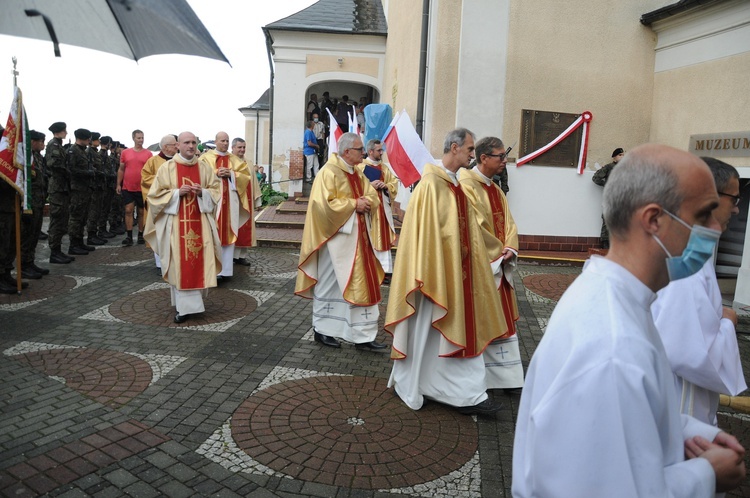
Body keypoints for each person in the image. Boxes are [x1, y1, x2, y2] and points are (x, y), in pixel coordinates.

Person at [513, 144, 747, 497]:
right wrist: (705, 475)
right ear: (654, 220)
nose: (717, 228)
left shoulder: (617, 296)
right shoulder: (613, 348)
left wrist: (689, 431)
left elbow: (623, 420)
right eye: (704, 215)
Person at [385, 128, 510, 416]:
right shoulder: (431, 184)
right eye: (468, 149)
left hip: (458, 274)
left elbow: (471, 230)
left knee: (450, 332)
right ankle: (429, 385)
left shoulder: (455, 184)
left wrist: (494, 251)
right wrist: (436, 269)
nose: (471, 154)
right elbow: (427, 236)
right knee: (429, 332)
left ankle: (463, 392)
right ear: (453, 147)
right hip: (434, 276)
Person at [652, 157, 747, 427]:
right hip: (677, 398)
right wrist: (728, 322)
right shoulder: (685, 257)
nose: (737, 210)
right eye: (734, 199)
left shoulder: (685, 245)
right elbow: (689, 354)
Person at [295, 132, 388, 351]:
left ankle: (362, 335)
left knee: (363, 283)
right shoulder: (328, 172)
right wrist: (353, 204)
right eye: (359, 149)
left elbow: (371, 195)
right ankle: (323, 330)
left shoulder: (357, 172)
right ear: (347, 151)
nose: (363, 153)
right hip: (334, 240)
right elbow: (322, 205)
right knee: (330, 284)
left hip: (359, 239)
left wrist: (366, 202)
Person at [458, 136, 523, 394]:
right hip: (482, 266)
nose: (504, 161)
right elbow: (474, 227)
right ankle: (485, 375)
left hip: (499, 263)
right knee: (483, 318)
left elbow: (509, 221)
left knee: (504, 317)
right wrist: (498, 252)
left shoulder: (495, 188)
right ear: (484, 158)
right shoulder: (466, 185)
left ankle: (506, 377)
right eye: (500, 157)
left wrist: (510, 246)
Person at [143, 131, 222, 324]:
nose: (191, 146)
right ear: (178, 145)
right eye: (187, 142)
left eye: (194, 142)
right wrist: (177, 194)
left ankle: (194, 305)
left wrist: (202, 192)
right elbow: (154, 197)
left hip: (200, 223)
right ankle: (183, 309)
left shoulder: (204, 167)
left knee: (199, 263)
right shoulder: (167, 168)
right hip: (176, 225)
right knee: (180, 265)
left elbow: (216, 190)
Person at [200, 132, 252, 282]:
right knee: (212, 234)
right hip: (213, 204)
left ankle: (226, 271)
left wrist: (231, 174)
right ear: (216, 141)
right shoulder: (205, 158)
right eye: (222, 140)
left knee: (229, 234)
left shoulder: (234, 160)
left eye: (227, 141)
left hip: (230, 203)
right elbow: (200, 174)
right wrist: (215, 173)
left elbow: (245, 176)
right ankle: (213, 270)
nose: (225, 143)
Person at [357, 139, 398, 280]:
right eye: (379, 150)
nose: (382, 152)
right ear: (370, 151)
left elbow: (393, 183)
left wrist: (386, 186)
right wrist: (370, 185)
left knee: (384, 238)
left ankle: (385, 270)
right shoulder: (361, 167)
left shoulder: (384, 168)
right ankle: (370, 268)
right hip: (369, 210)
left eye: (382, 150)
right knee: (368, 238)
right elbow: (356, 187)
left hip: (383, 210)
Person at [141, 134, 178, 272]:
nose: (177, 147)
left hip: (175, 201)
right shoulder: (152, 161)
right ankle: (159, 264)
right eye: (174, 145)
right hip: (159, 202)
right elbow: (145, 179)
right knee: (159, 231)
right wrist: (163, 181)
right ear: (165, 147)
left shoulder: (178, 161)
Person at [19, 130, 50, 279]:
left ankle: (30, 262)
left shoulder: (36, 157)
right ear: (32, 142)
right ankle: (23, 266)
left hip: (38, 201)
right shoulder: (24, 157)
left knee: (34, 234)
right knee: (26, 235)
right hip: (28, 203)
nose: (43, 144)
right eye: (41, 141)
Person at [45, 121, 75, 264]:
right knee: (56, 220)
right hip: (57, 187)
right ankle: (54, 252)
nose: (66, 133)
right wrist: (67, 170)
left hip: (62, 187)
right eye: (64, 130)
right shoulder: (53, 145)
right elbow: (54, 164)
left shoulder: (60, 146)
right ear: (58, 131)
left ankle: (58, 250)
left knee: (62, 220)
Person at [231, 137, 261, 267]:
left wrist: (256, 199)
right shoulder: (228, 162)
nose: (242, 150)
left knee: (246, 229)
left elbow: (253, 181)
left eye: (244, 147)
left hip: (247, 201)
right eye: (239, 147)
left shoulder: (248, 163)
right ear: (233, 148)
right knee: (234, 227)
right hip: (234, 201)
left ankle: (241, 256)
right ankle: (231, 256)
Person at [117, 129, 151, 246]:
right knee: (128, 210)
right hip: (128, 186)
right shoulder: (125, 153)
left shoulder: (148, 154)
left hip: (142, 187)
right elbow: (121, 169)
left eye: (142, 138)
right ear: (133, 138)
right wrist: (118, 184)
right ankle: (129, 236)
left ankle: (141, 235)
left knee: (141, 211)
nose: (141, 140)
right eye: (138, 138)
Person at [67, 128, 96, 255]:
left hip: (85, 189)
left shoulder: (82, 151)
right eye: (88, 138)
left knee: (83, 217)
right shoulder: (73, 151)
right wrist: (88, 173)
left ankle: (79, 242)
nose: (89, 140)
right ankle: (73, 244)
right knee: (76, 218)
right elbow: (71, 170)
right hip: (77, 189)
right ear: (83, 138)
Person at [592, 147, 625, 249]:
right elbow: (596, 178)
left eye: (623, 155)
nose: (622, 157)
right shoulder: (609, 167)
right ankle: (605, 241)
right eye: (620, 155)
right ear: (614, 158)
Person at [85, 132, 108, 247]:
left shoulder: (95, 152)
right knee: (93, 212)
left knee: (97, 211)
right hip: (94, 186)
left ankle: (95, 234)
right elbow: (91, 167)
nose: (99, 142)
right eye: (97, 139)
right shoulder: (89, 152)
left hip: (99, 185)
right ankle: (91, 235)